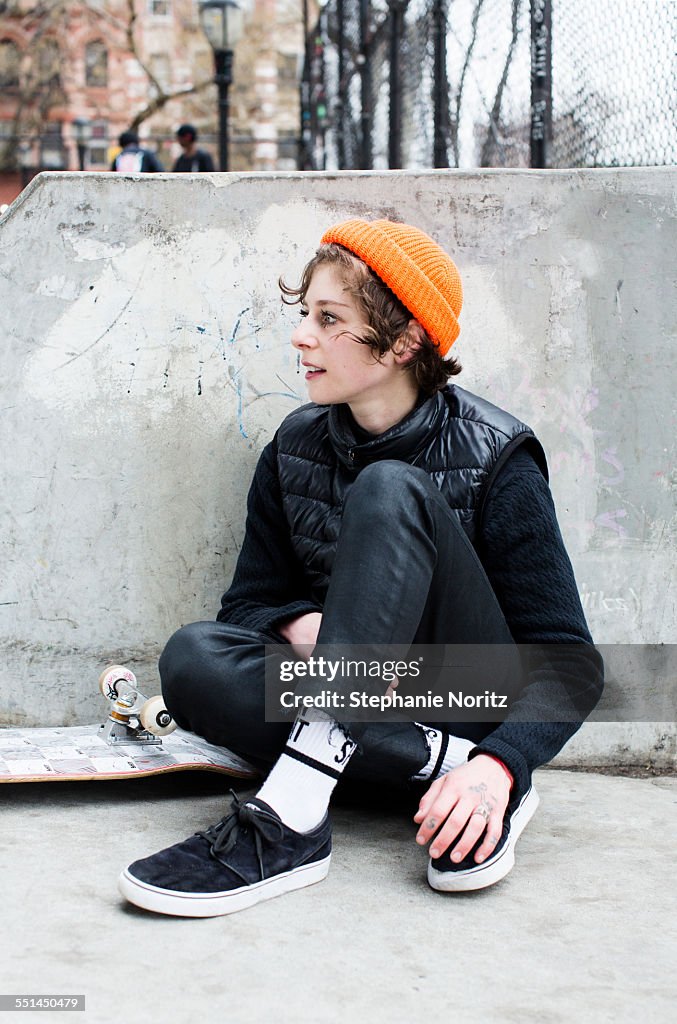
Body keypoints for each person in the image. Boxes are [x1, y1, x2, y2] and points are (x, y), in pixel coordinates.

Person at [118, 218, 603, 917]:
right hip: (363, 699)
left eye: (328, 318)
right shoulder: (294, 445)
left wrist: (500, 765)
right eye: (303, 314)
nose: (300, 336)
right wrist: (302, 624)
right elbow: (248, 607)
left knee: (390, 486)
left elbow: (568, 663)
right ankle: (432, 766)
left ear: (404, 341)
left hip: (460, 694)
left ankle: (294, 812)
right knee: (193, 656)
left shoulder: (497, 455)